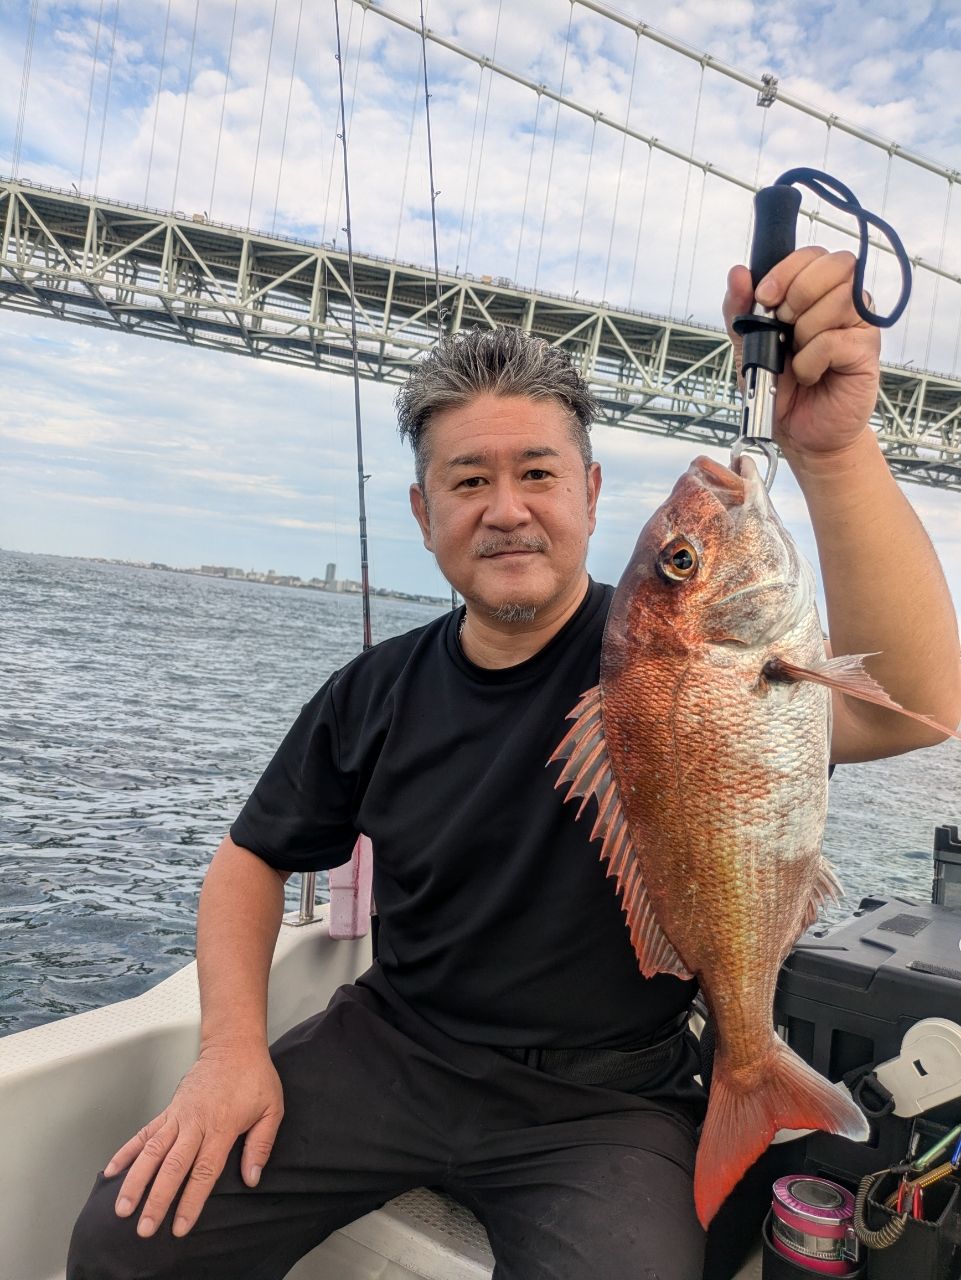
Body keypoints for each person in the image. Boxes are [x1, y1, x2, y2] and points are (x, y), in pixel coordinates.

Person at [67, 248, 961, 1280]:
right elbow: (248, 859)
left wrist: (835, 451)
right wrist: (230, 1048)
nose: (505, 507)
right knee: (125, 1243)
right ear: (423, 513)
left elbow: (923, 712)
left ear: (586, 492)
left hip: (604, 1096)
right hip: (393, 1049)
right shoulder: (373, 689)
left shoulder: (681, 667)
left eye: (537, 471)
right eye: (468, 478)